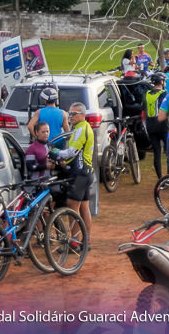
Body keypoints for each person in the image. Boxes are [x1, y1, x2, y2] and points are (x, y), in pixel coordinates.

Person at [58, 102, 94, 250]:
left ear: (82, 115)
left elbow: (71, 152)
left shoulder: (81, 129)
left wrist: (55, 153)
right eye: (69, 113)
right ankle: (86, 240)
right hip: (85, 172)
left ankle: (74, 242)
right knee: (84, 207)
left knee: (72, 208)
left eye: (74, 114)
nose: (70, 116)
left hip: (79, 174)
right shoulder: (81, 128)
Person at [144, 73, 169, 179]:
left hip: (150, 126)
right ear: (162, 82)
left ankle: (160, 178)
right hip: (162, 125)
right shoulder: (164, 93)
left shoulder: (147, 93)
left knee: (156, 153)